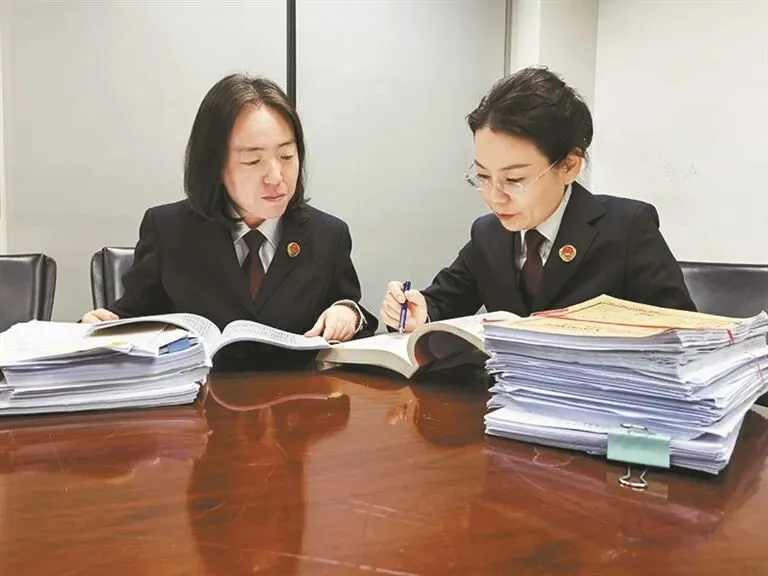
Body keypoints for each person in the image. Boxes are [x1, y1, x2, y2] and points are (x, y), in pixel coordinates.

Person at [81, 74, 376, 367]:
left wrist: (349, 313)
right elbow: (131, 321)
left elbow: (354, 319)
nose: (276, 177)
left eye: (287, 156)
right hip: (200, 394)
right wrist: (96, 326)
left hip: (296, 395)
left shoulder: (328, 235)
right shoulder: (168, 231)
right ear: (215, 166)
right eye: (253, 161)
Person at [381, 66, 695, 332]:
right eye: (483, 176)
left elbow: (683, 333)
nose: (494, 197)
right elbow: (444, 300)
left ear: (569, 166)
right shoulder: (488, 233)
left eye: (514, 180)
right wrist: (418, 311)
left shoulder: (627, 228)